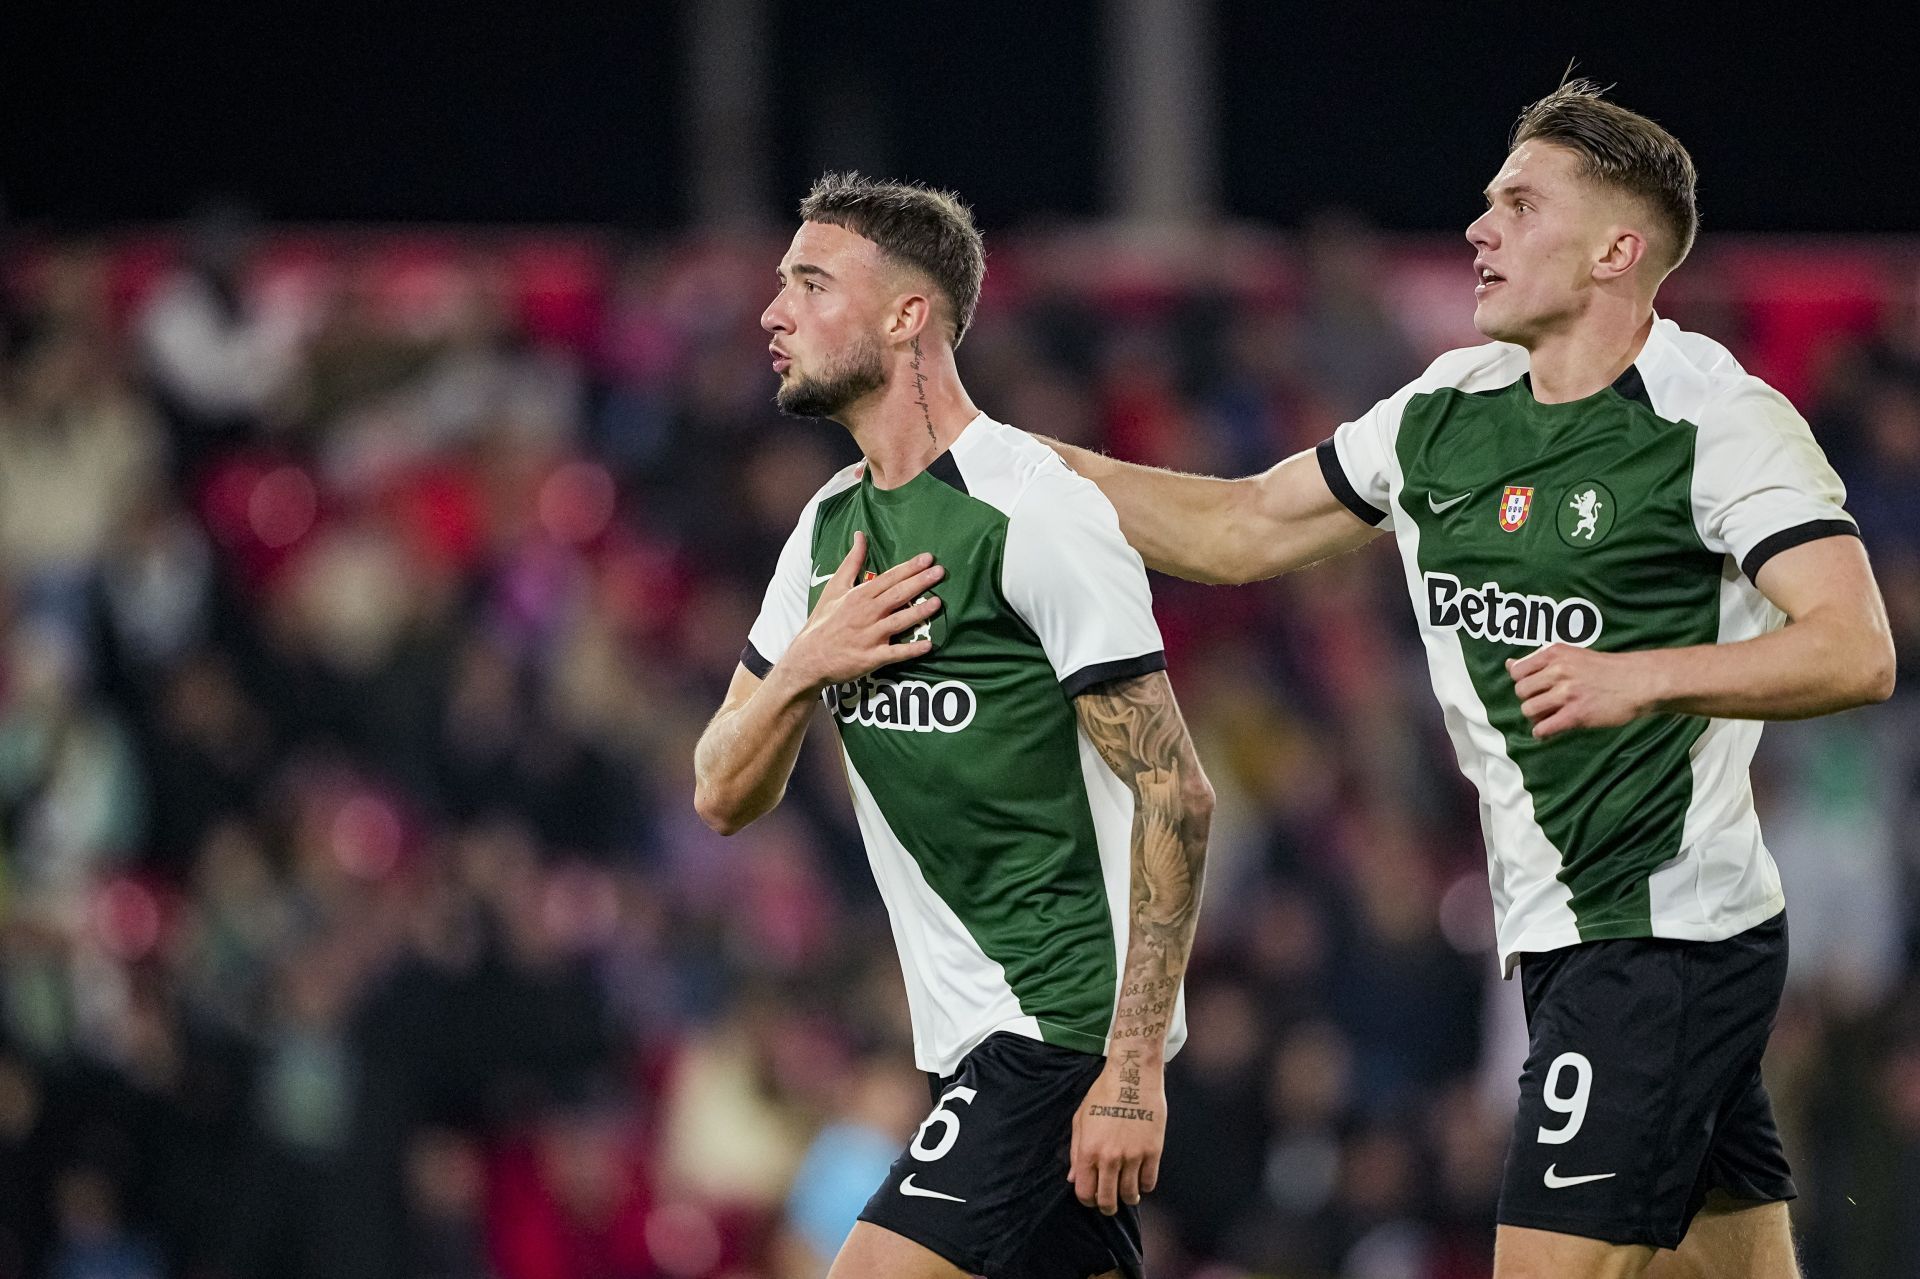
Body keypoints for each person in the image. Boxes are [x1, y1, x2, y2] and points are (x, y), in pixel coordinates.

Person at [1045, 81, 1896, 1279]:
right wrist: (1008, 461)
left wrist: (1642, 675)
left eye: (1518, 203)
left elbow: (1856, 646)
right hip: (1564, 944)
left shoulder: (1721, 421)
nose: (1478, 229)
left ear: (1617, 249)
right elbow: (1236, 529)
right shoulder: (1447, 410)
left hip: (1656, 944)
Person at [693, 173, 1214, 1279]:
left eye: (810, 281)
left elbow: (1176, 788)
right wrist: (806, 665)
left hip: (1058, 1028)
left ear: (907, 315)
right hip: (968, 1040)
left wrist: (1131, 1068)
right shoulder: (828, 531)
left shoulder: (1034, 513)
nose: (772, 312)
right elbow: (721, 790)